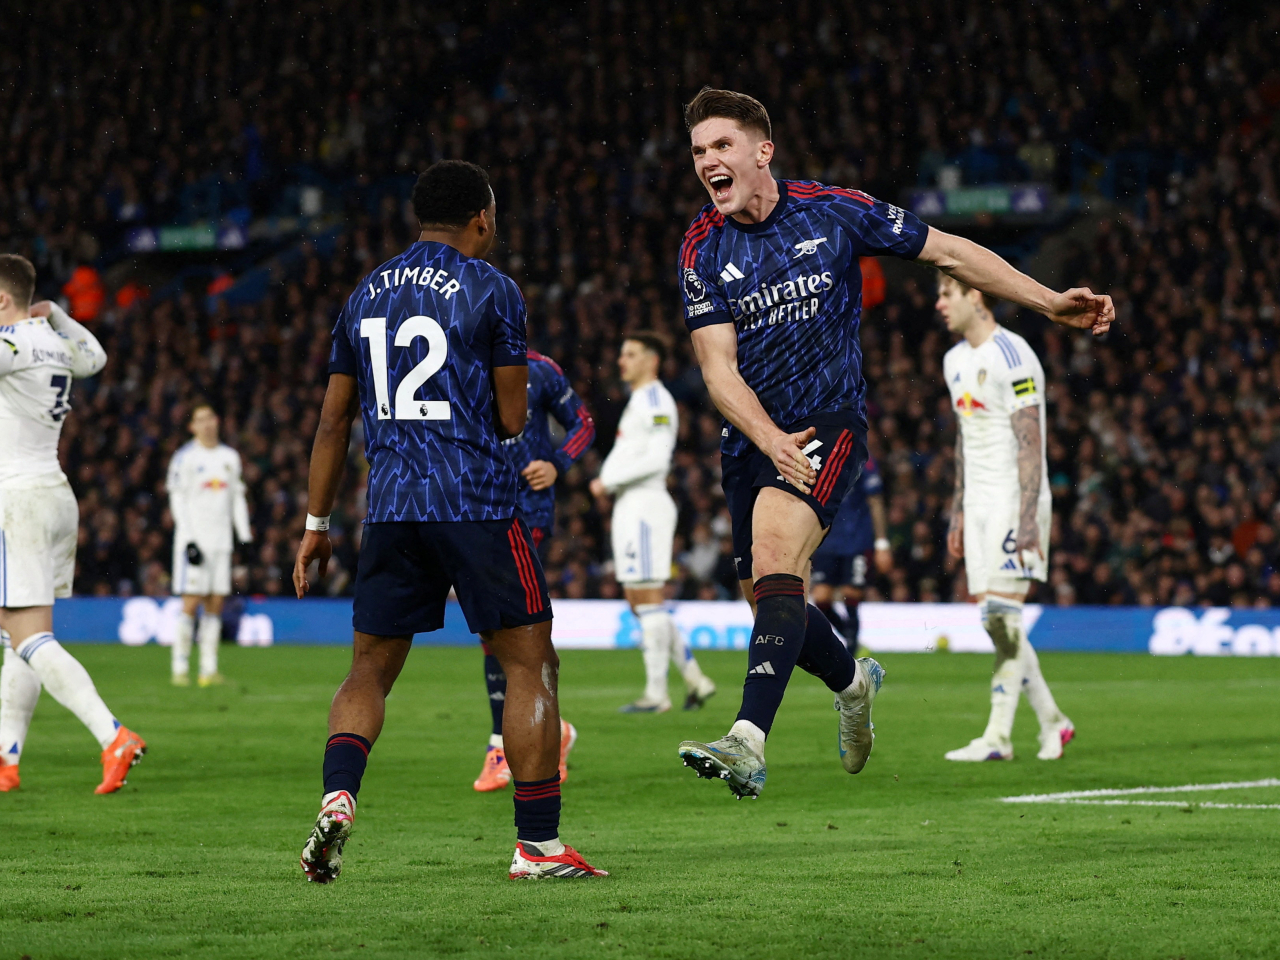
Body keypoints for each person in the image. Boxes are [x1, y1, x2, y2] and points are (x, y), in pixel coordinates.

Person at [673, 88, 1111, 799]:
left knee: (779, 558)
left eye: (721, 146)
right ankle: (852, 685)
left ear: (763, 151)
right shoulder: (701, 245)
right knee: (768, 599)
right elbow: (716, 370)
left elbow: (952, 251)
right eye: (697, 151)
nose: (706, 162)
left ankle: (747, 740)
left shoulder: (835, 211)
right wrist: (766, 437)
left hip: (828, 421)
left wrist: (1048, 301)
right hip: (753, 434)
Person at [292, 161, 604, 881]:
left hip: (392, 507)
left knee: (369, 668)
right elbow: (514, 416)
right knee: (529, 659)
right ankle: (538, 848)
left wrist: (316, 522)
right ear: (482, 220)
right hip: (476, 503)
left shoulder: (365, 292)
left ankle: (340, 795)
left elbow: (333, 422)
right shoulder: (494, 289)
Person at [0, 254, 146, 794]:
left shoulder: (13, 346)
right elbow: (97, 357)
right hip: (56, 497)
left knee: (27, 635)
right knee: (17, 635)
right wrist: (57, 315)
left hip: (18, 500)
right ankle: (6, 758)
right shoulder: (56, 343)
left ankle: (112, 735)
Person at [938, 274, 1075, 761]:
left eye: (946, 294)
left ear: (975, 295)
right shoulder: (954, 361)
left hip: (1015, 499)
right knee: (998, 621)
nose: (939, 305)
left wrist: (1030, 516)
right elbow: (963, 439)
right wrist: (957, 511)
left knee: (1001, 616)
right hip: (977, 504)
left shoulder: (1012, 355)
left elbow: (1030, 440)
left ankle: (997, 738)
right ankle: (1054, 723)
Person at [473, 348, 594, 793]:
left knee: (511, 623)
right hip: (475, 508)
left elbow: (585, 424)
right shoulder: (460, 363)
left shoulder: (539, 370)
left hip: (528, 509)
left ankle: (502, 746)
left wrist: (557, 463)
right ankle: (549, 732)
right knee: (493, 627)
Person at [588, 333, 716, 714]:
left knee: (647, 598)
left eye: (630, 354)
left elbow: (659, 459)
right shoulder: (640, 401)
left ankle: (657, 694)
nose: (621, 361)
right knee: (639, 601)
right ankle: (695, 678)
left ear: (652, 360)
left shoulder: (657, 400)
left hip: (645, 505)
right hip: (632, 505)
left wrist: (607, 480)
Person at [166, 403, 252, 686]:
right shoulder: (185, 458)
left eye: (210, 418)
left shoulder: (230, 457)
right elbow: (177, 499)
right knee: (191, 602)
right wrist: (189, 539)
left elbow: (237, 496)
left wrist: (244, 535)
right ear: (192, 426)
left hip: (221, 542)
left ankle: (208, 670)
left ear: (217, 421)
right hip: (195, 541)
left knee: (215, 602)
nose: (206, 424)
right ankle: (179, 668)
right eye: (200, 419)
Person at [810, 454, 892, 654]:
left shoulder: (863, 458)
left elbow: (875, 501)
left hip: (856, 541)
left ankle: (852, 651)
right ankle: (850, 638)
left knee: (851, 594)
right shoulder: (819, 455)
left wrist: (881, 543)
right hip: (827, 541)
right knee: (821, 598)